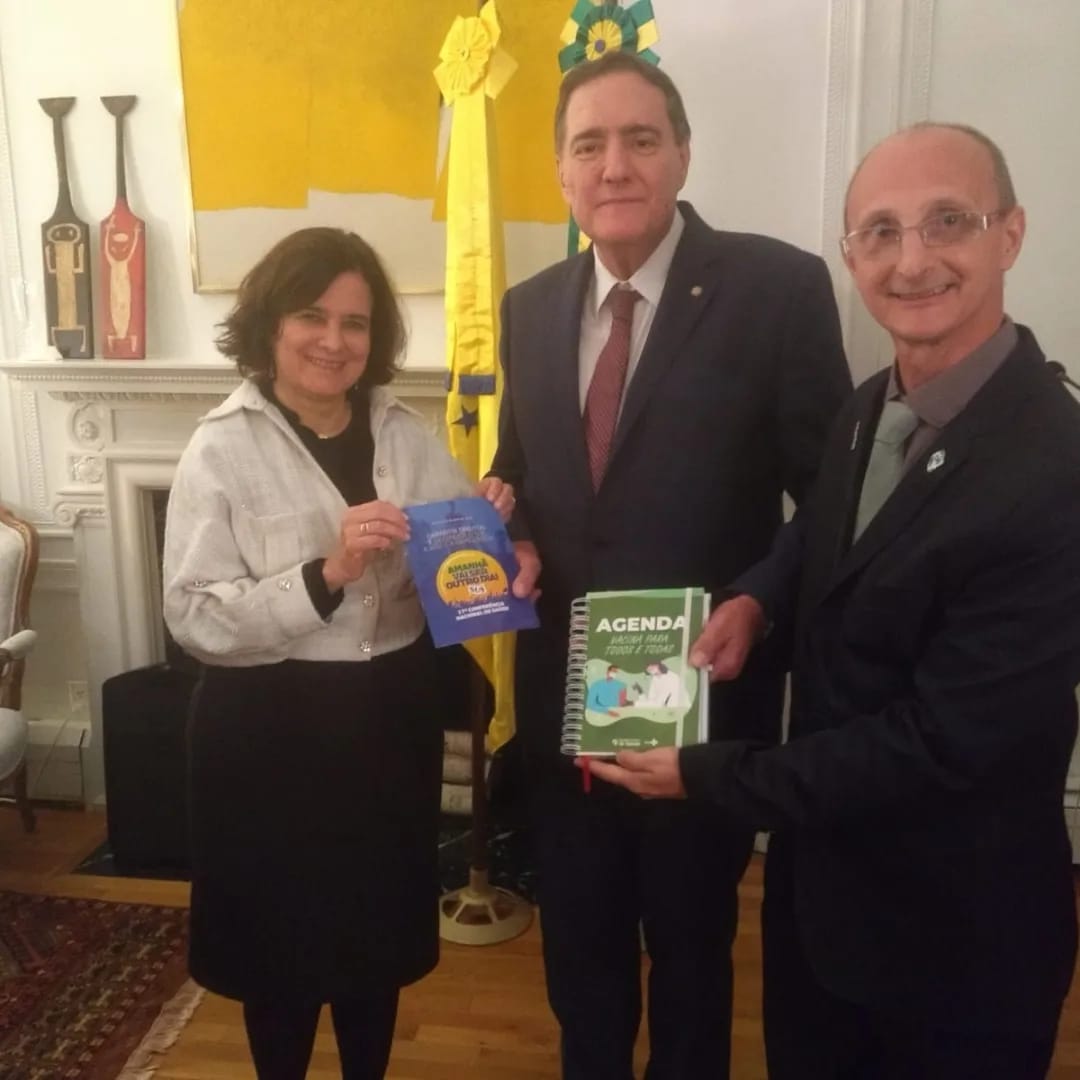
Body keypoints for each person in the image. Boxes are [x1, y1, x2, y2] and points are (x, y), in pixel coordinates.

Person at [587, 122, 1080, 1079]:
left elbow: (940, 743)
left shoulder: (1054, 469)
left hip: (954, 954)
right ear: (852, 256)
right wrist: (757, 602)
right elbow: (818, 534)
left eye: (949, 221)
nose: (913, 260)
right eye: (880, 231)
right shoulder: (867, 408)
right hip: (821, 921)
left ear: (1011, 235)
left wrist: (712, 776)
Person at [490, 50, 851, 1079]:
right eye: (589, 145)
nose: (615, 165)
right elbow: (521, 467)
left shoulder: (777, 289)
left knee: (692, 951)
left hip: (703, 698)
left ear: (682, 154)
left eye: (640, 139)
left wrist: (759, 601)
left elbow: (832, 498)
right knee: (580, 953)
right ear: (562, 170)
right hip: (568, 700)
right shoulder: (529, 306)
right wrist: (511, 527)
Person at [162, 227, 514, 1080]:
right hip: (266, 733)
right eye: (311, 316)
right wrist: (326, 573)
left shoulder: (406, 434)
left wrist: (486, 528)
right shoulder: (220, 447)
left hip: (387, 725)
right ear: (270, 325)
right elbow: (193, 616)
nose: (334, 340)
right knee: (275, 955)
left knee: (374, 944)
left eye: (355, 322)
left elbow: (462, 578)